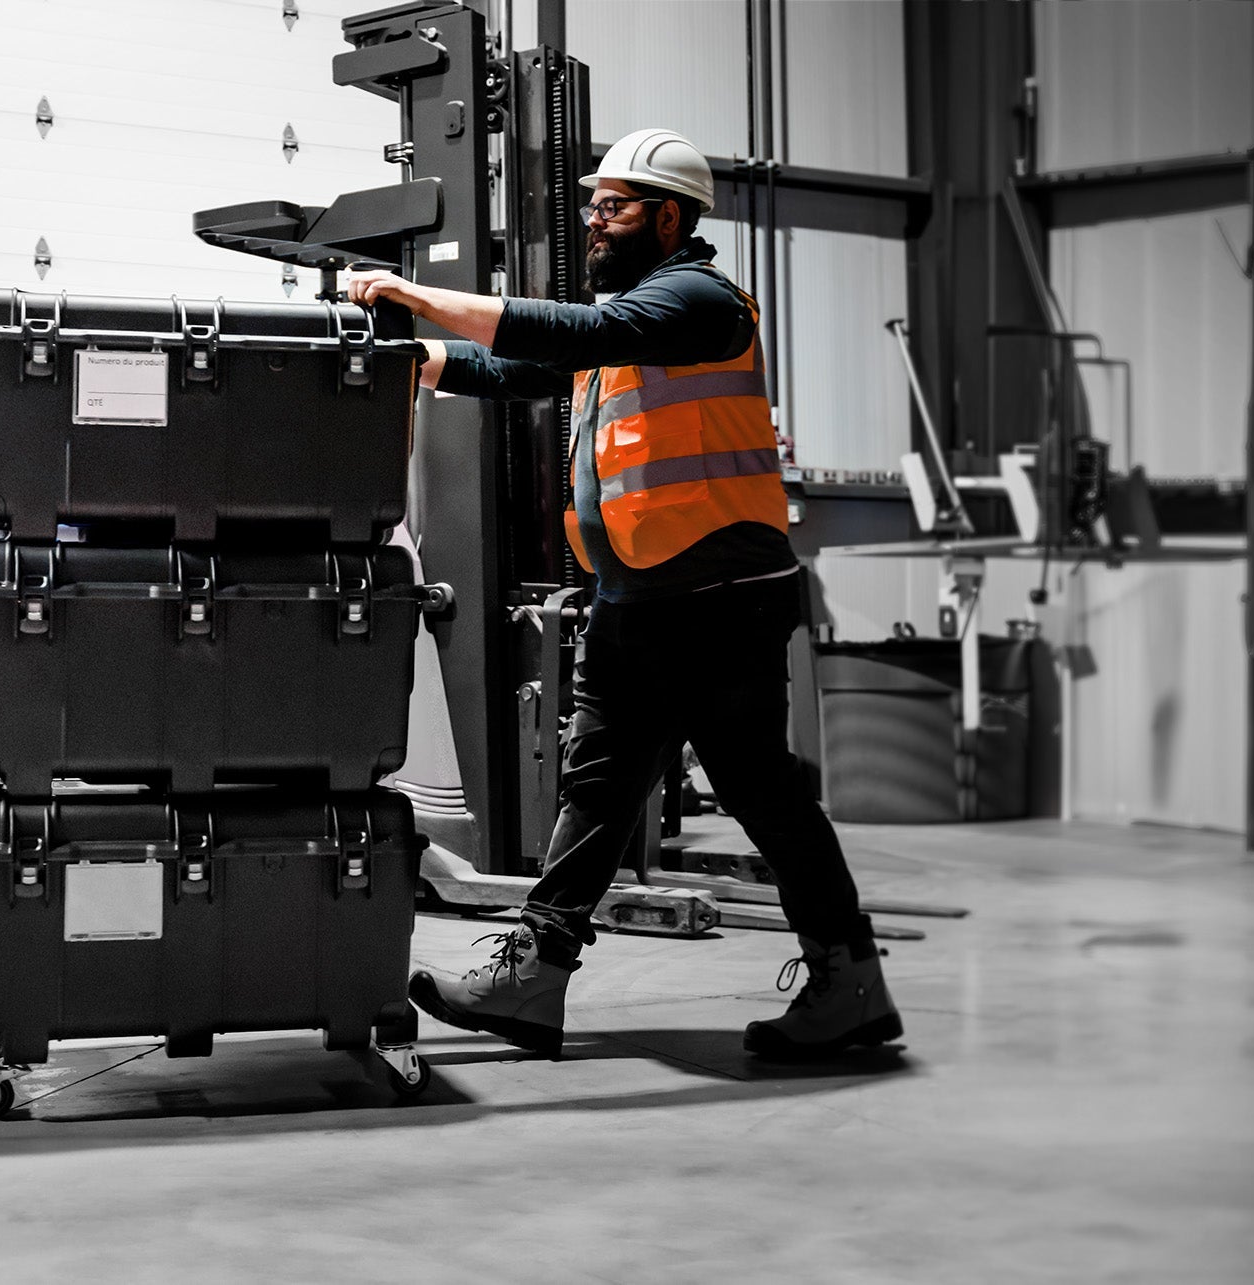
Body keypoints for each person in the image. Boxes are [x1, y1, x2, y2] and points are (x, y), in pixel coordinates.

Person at [345, 128, 901, 1062]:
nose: (593, 222)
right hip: (642, 595)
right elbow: (524, 367)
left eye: (613, 207)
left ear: (670, 216)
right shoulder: (634, 319)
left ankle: (848, 978)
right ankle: (535, 975)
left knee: (759, 790)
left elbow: (573, 333)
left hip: (723, 597)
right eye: (592, 205)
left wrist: (419, 295)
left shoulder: (696, 301)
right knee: (598, 785)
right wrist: (422, 360)